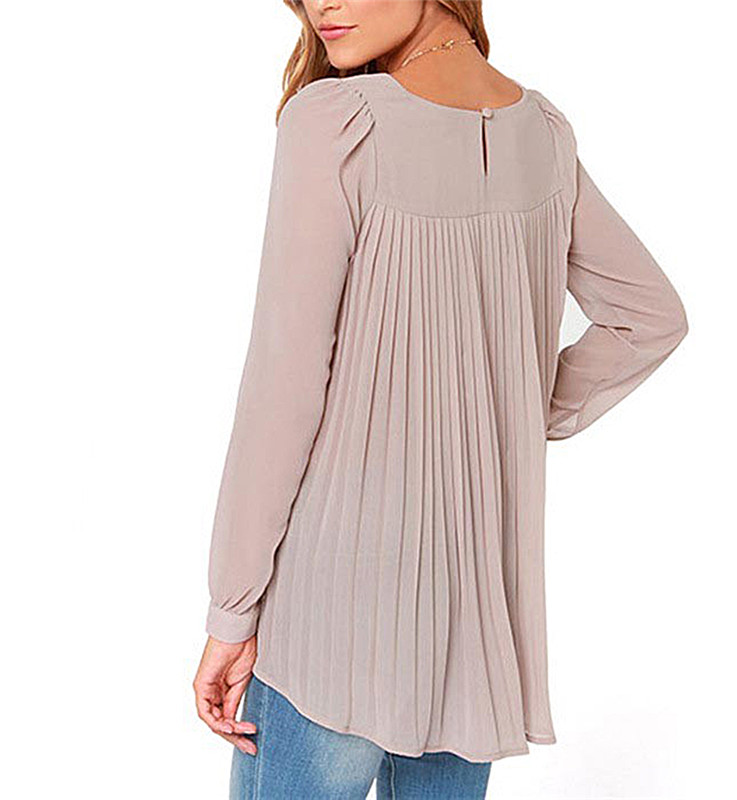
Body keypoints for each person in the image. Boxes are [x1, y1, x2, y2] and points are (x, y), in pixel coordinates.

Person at [192, 1, 689, 797]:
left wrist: (232, 611)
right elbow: (649, 317)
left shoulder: (337, 123)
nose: (321, 4)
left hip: (333, 619)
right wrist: (503, 412)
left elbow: (282, 388)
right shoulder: (542, 134)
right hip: (475, 623)